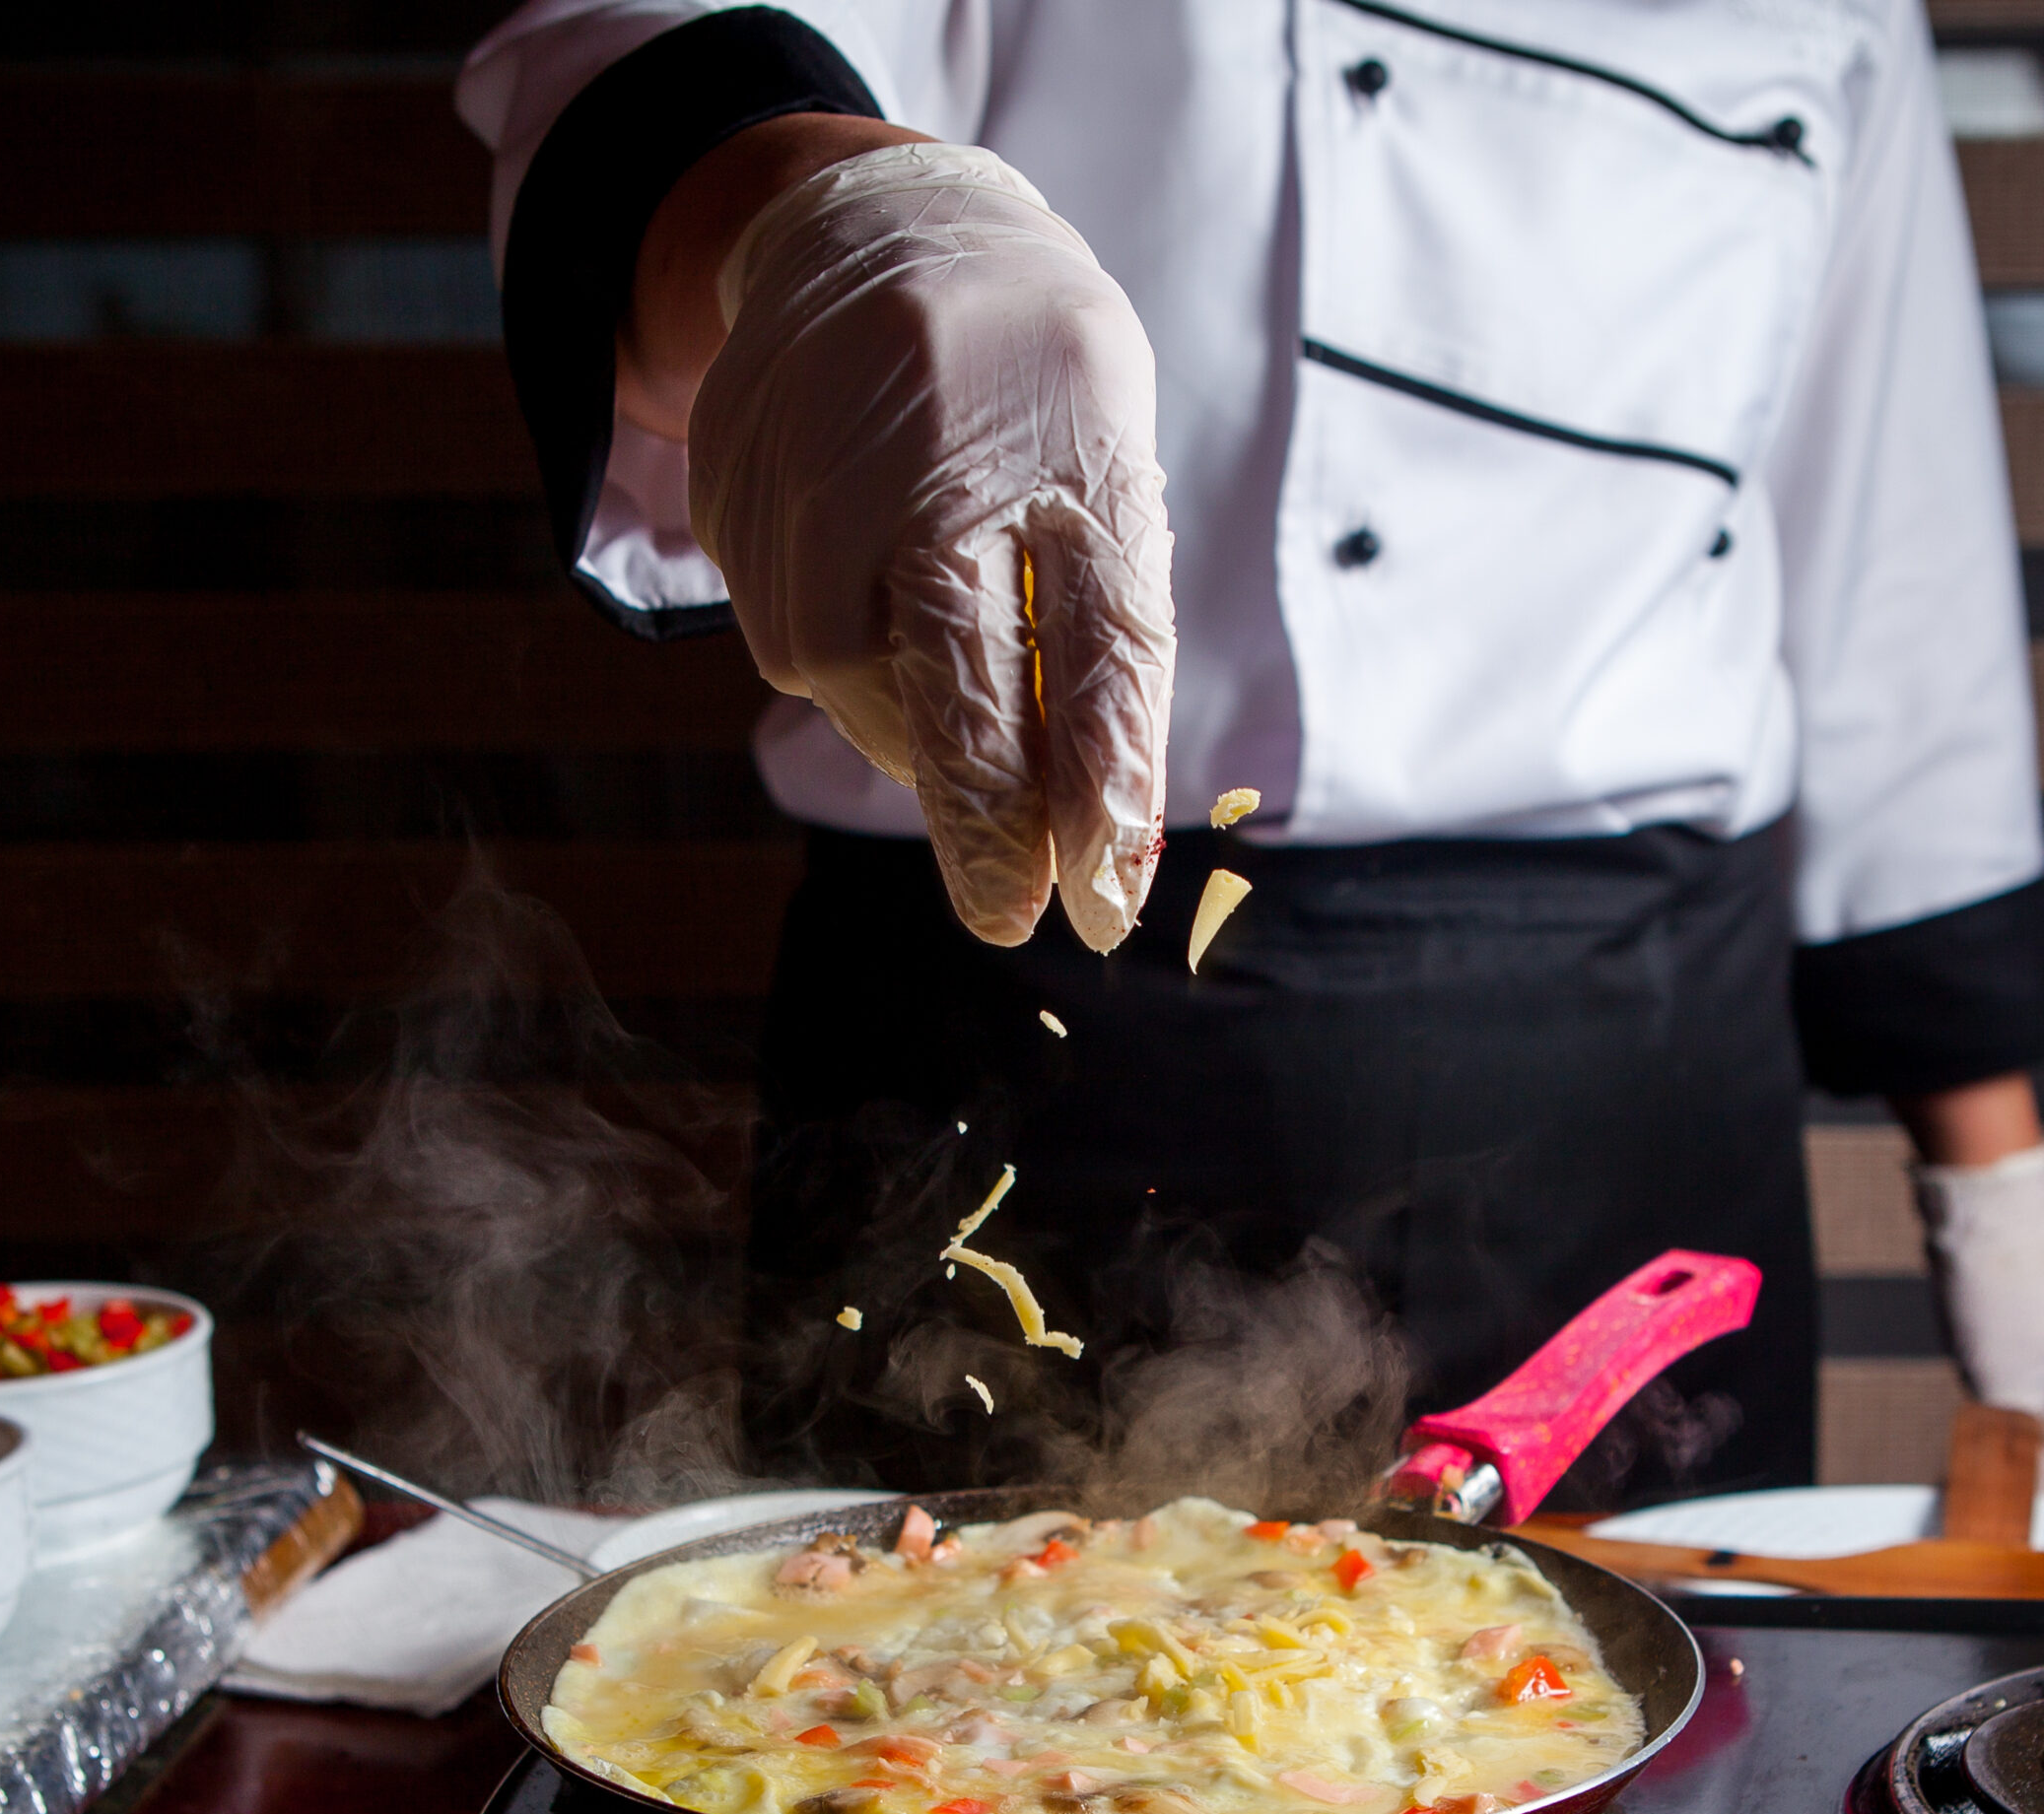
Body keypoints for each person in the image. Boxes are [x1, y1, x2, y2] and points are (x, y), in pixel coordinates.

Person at [456, 0, 2044, 1502]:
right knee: (892, 1730)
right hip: (1015, 1028)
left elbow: (1897, 606)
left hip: (1616, 1096)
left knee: (1663, 1762)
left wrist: (2011, 1255)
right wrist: (830, 222)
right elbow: (650, 75)